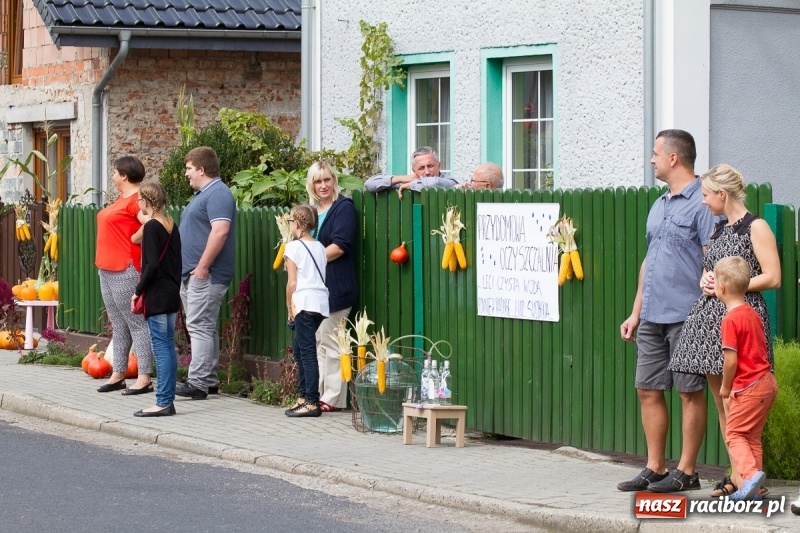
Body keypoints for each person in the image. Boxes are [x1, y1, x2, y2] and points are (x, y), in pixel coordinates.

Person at [668, 164, 780, 497]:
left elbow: (773, 276)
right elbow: (713, 270)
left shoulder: (755, 227)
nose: (702, 202)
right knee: (723, 404)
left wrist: (734, 287)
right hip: (711, 328)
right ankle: (738, 476)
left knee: (739, 403)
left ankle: (747, 479)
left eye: (705, 195)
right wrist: (706, 279)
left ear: (722, 194)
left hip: (741, 323)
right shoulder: (718, 228)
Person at [617, 129, 715, 493]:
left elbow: (713, 259)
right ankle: (655, 466)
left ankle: (687, 471)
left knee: (689, 392)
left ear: (674, 158)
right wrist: (635, 311)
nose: (652, 159)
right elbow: (650, 260)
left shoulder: (703, 203)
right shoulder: (659, 203)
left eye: (656, 153)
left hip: (687, 315)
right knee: (647, 389)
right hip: (652, 314)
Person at [712, 256, 778, 500]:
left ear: (722, 288)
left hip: (748, 387)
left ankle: (749, 478)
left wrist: (725, 388)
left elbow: (731, 360)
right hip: (766, 382)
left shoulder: (730, 319)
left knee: (735, 435)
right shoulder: (752, 313)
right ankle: (755, 490)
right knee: (751, 437)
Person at [175, 147, 236, 401]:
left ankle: (198, 383)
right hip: (193, 274)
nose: (187, 173)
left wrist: (201, 267)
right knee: (205, 327)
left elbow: (220, 231)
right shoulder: (204, 194)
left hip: (205, 275)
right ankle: (208, 381)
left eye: (189, 168)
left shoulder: (218, 194)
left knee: (198, 327)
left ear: (201, 169)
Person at [95, 156, 156, 395]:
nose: (112, 176)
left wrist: (134, 239)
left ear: (124, 175)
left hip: (124, 268)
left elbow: (151, 222)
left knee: (137, 324)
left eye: (114, 172)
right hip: (107, 267)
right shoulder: (122, 199)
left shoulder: (135, 200)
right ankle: (118, 374)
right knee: (119, 325)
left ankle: (144, 377)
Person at [307, 161, 358, 412]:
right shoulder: (313, 210)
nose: (323, 185)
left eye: (327, 179)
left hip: (337, 288)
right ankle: (317, 394)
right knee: (318, 342)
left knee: (332, 343)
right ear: (312, 184)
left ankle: (334, 398)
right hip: (316, 290)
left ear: (334, 180)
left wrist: (309, 261)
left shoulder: (343, 208)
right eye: (318, 181)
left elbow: (340, 245)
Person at [131, 182, 182, 417]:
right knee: (168, 347)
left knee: (161, 348)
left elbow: (150, 265)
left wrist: (138, 290)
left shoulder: (151, 226)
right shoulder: (171, 225)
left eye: (139, 200)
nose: (137, 204)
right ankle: (167, 400)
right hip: (171, 292)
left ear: (147, 202)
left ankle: (162, 401)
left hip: (158, 295)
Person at [283, 204, 329, 418]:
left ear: (299, 225)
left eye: (291, 222)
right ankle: (302, 397)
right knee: (300, 348)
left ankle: (311, 401)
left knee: (308, 353)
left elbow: (292, 283)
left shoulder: (293, 247)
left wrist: (289, 307)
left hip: (303, 302)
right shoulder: (320, 246)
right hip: (320, 303)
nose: (290, 225)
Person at [364, 146, 457, 197]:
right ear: (414, 170)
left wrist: (410, 185)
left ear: (439, 166)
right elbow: (369, 184)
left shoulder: (450, 181)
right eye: (421, 168)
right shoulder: (408, 181)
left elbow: (434, 183)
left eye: (430, 166)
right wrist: (401, 179)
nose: (427, 172)